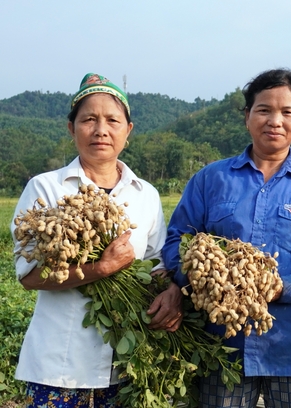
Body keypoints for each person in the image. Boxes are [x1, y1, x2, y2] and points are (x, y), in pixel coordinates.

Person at [162, 68, 291, 408]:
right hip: (222, 347)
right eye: (264, 110)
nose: (274, 121)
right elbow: (177, 240)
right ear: (247, 116)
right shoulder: (211, 179)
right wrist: (202, 278)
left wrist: (282, 287)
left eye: (287, 112)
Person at [10, 73, 183, 407]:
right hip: (58, 363)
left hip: (127, 364)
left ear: (127, 131)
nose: (101, 130)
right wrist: (100, 268)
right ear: (71, 128)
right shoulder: (46, 188)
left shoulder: (145, 193)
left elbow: (157, 265)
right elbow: (29, 277)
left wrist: (173, 292)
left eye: (112, 120)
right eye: (89, 119)